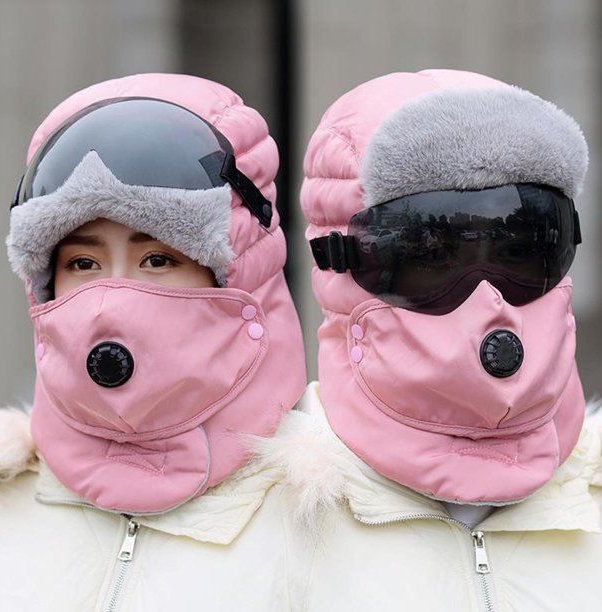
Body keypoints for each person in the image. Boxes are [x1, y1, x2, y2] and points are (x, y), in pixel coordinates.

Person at [257, 69, 602, 610]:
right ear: (341, 262)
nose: (490, 301)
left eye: (517, 252)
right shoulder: (260, 527)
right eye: (432, 257)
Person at [0, 73, 306, 610]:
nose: (114, 299)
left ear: (236, 274)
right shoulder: (2, 506)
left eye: (159, 259)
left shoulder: (332, 511)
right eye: (83, 263)